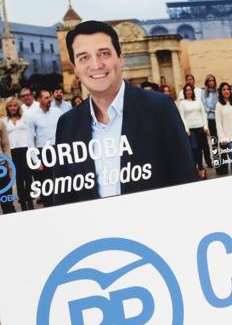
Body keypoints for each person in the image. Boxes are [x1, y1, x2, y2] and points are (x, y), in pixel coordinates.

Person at [50, 21, 197, 205]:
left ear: (120, 58)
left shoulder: (159, 108)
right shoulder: (67, 124)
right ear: (75, 69)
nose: (96, 65)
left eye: (104, 53)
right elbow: (64, 198)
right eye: (84, 57)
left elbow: (185, 179)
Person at [3, 97, 35, 211]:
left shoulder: (25, 118)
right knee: (19, 179)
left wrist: (33, 154)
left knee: (28, 178)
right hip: (13, 152)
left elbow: (31, 136)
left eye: (15, 105)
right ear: (7, 108)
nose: (13, 108)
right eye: (10, 106)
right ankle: (23, 204)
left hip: (25, 150)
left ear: (18, 107)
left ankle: (30, 201)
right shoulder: (4, 121)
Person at [178, 83, 210, 179]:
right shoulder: (182, 103)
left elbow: (203, 114)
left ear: (192, 91)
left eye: (190, 90)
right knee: (195, 149)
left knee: (200, 149)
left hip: (200, 128)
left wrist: (205, 126)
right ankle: (199, 168)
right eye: (187, 90)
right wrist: (186, 129)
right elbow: (182, 117)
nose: (189, 92)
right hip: (191, 130)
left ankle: (200, 168)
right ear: (184, 92)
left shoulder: (198, 101)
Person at [202, 74, 222, 174]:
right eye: (209, 81)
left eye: (212, 80)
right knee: (214, 142)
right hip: (211, 120)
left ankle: (224, 163)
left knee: (222, 141)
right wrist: (212, 110)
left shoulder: (218, 92)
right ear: (207, 82)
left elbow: (221, 104)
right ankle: (217, 165)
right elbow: (204, 108)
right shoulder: (204, 93)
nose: (211, 82)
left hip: (220, 119)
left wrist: (215, 110)